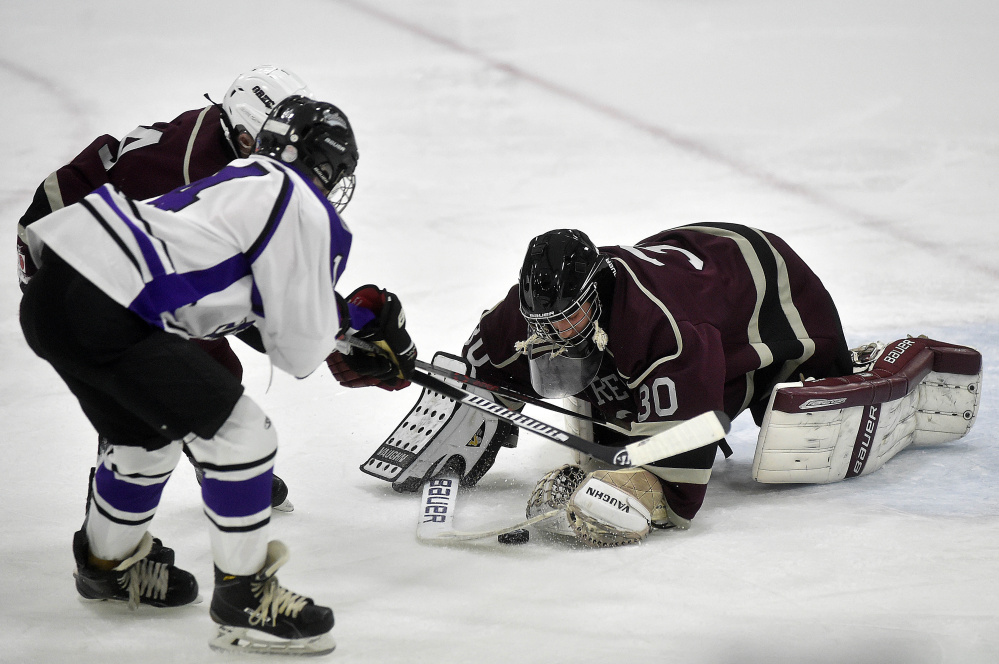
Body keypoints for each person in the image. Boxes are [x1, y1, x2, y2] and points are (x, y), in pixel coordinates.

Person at [19, 96, 416, 654]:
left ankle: (107, 565)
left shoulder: (237, 179)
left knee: (144, 439)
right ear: (326, 167)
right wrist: (363, 322)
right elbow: (298, 349)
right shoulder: (299, 199)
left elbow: (237, 296)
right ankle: (246, 598)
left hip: (54, 293)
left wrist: (350, 320)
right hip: (111, 305)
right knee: (244, 435)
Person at [343, 224, 980, 547]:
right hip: (697, 275)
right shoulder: (535, 312)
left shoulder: (668, 336)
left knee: (799, 430)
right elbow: (476, 376)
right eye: (541, 319)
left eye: (566, 317)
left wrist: (627, 488)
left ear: (595, 295)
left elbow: (680, 495)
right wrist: (396, 368)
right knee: (608, 415)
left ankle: (868, 367)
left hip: (770, 296)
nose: (550, 331)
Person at [15, 65, 345, 510]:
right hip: (64, 252)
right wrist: (314, 323)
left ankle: (193, 455)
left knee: (176, 374)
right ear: (245, 137)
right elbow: (229, 295)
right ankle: (164, 482)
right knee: (154, 382)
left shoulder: (225, 140)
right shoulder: (195, 171)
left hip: (97, 251)